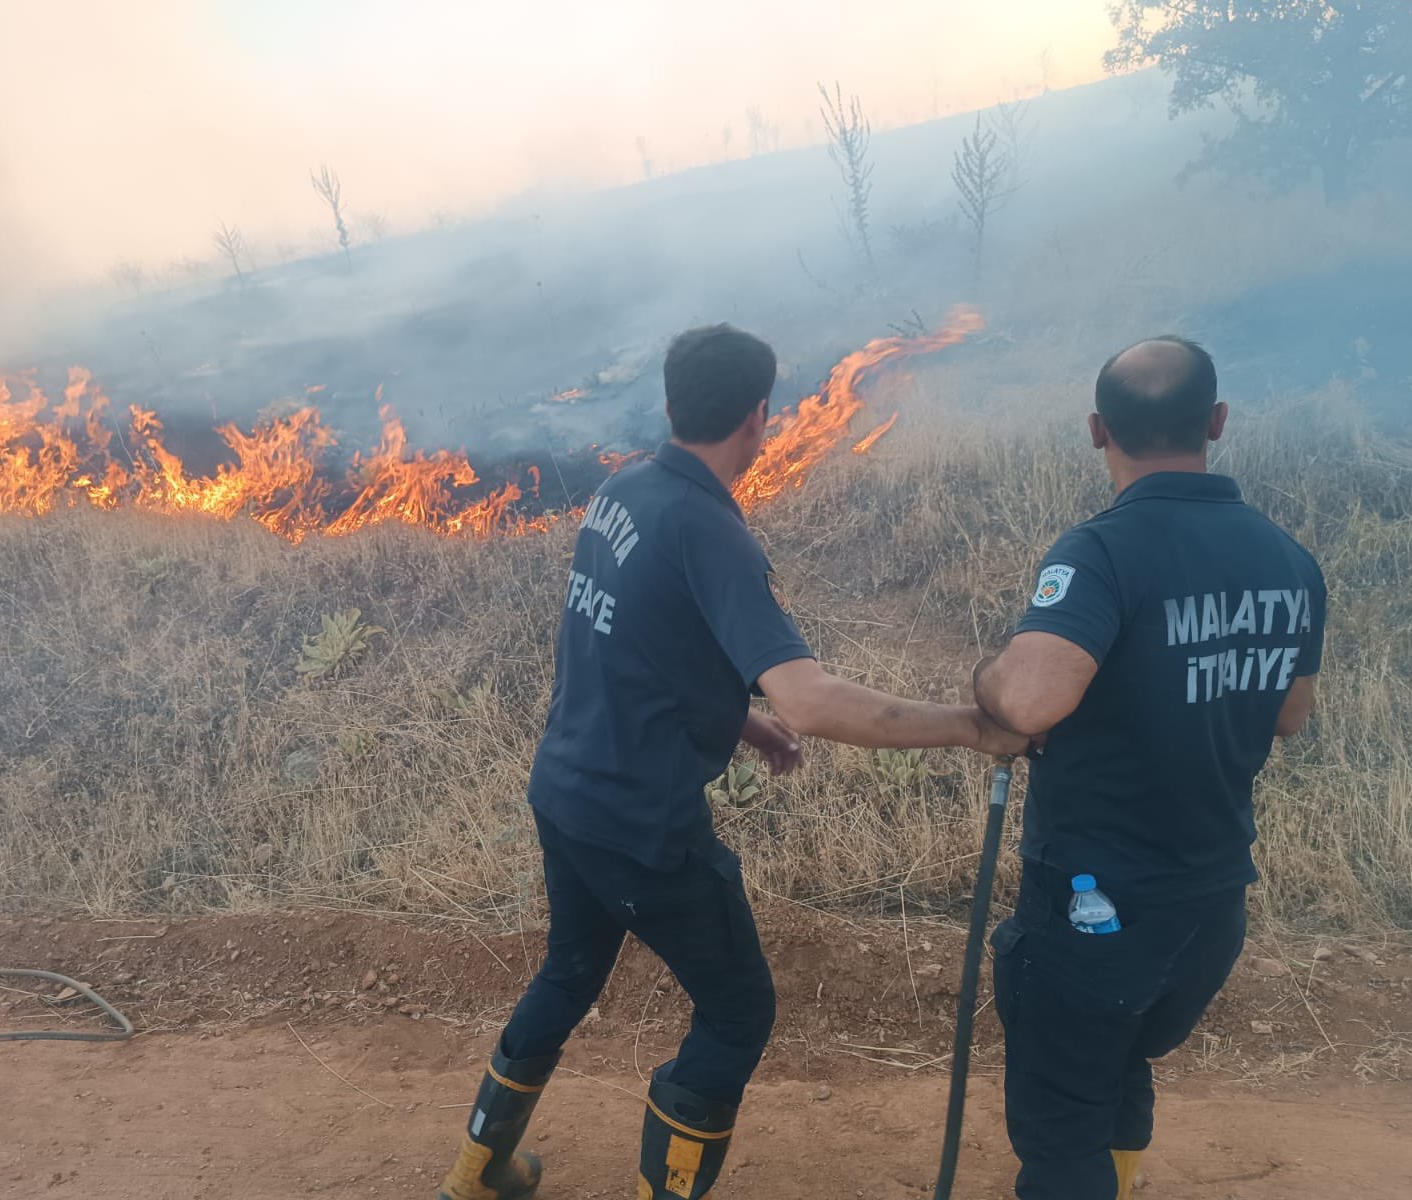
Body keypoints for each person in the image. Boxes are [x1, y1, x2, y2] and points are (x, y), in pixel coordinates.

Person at [438, 324, 1026, 1200]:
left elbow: (634, 644)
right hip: (641, 825)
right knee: (738, 1010)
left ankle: (474, 1175)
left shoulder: (623, 490)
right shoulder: (708, 528)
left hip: (564, 794)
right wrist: (970, 728)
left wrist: (740, 721)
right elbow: (813, 699)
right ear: (760, 418)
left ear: (672, 405)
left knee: (567, 973)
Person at [972, 336, 1326, 1200]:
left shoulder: (1101, 552)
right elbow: (1290, 714)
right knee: (1120, 1064)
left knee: (1060, 1134)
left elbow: (1026, 703)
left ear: (1099, 430)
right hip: (1210, 903)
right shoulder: (1289, 560)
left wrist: (984, 677)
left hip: (1097, 905)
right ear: (1216, 422)